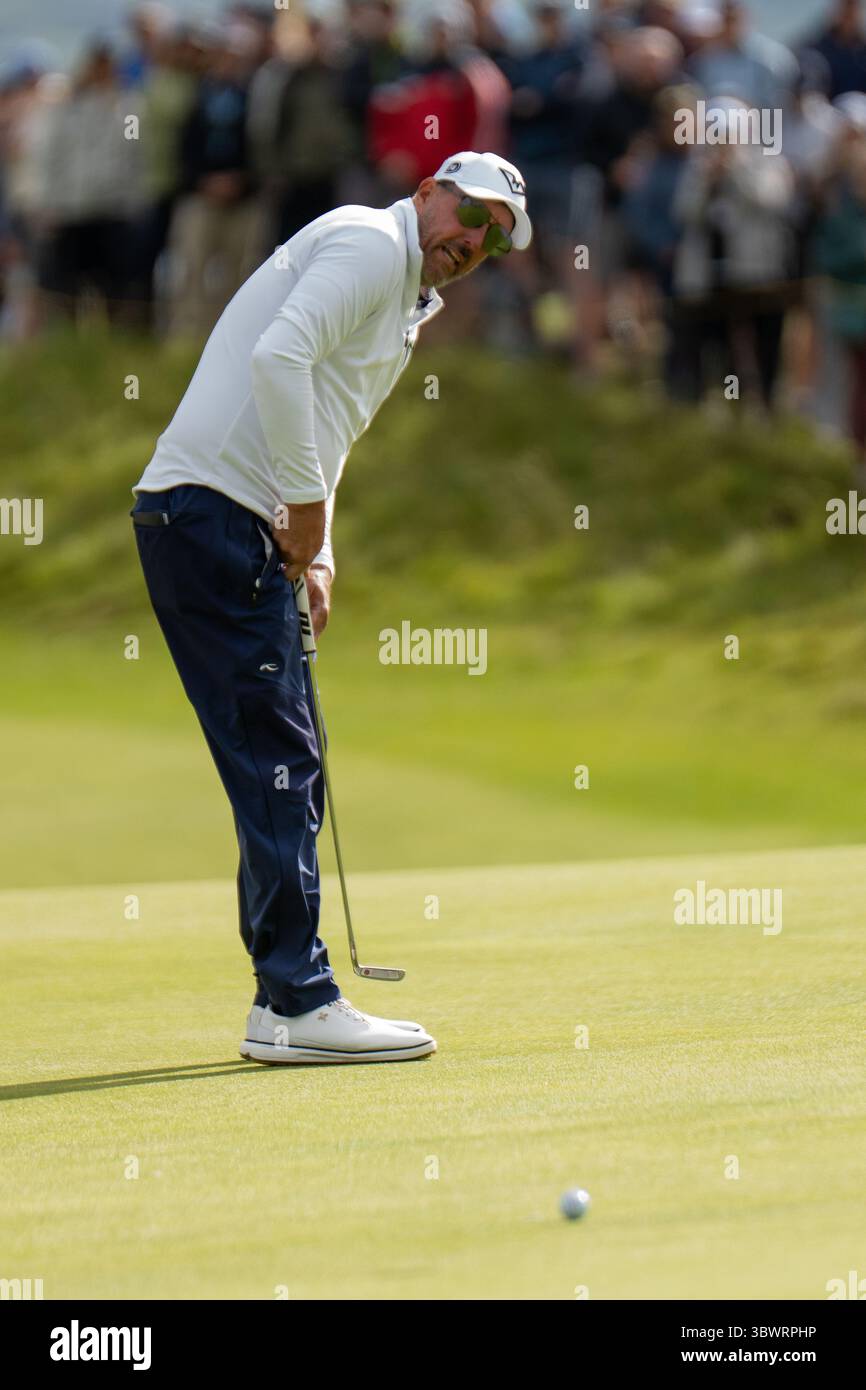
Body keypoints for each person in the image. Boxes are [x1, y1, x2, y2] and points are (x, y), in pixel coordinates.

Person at [130, 151, 532, 1065]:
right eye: (469, 213)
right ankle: (299, 1000)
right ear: (429, 191)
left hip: (222, 521)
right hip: (215, 515)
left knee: (284, 756)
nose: (474, 240)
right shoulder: (365, 241)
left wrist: (322, 550)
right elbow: (280, 358)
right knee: (280, 757)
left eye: (494, 239)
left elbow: (325, 421)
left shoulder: (403, 303)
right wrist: (301, 509)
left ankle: (285, 1001)